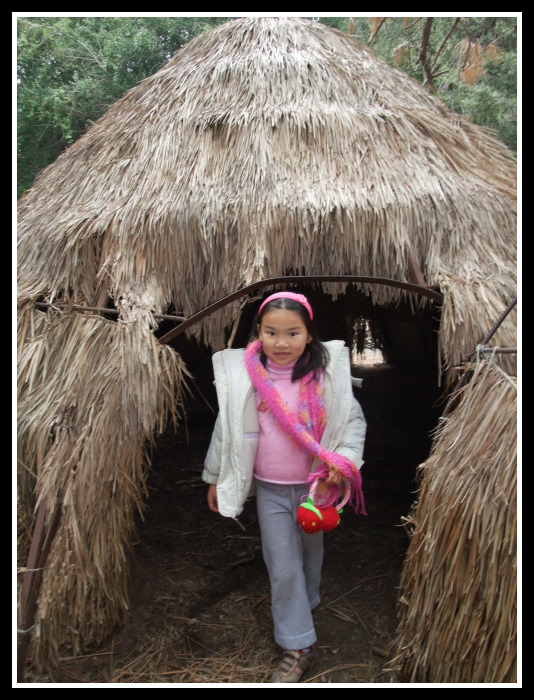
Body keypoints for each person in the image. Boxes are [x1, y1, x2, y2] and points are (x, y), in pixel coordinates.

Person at [202, 291, 367, 683]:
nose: (281, 343)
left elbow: (353, 424)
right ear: (258, 332)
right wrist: (214, 476)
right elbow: (225, 428)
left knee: (311, 553)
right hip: (271, 490)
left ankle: (306, 602)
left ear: (309, 335)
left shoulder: (326, 378)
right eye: (271, 332)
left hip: (316, 490)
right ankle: (298, 643)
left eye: (292, 333)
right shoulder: (247, 378)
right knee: (283, 564)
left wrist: (343, 462)